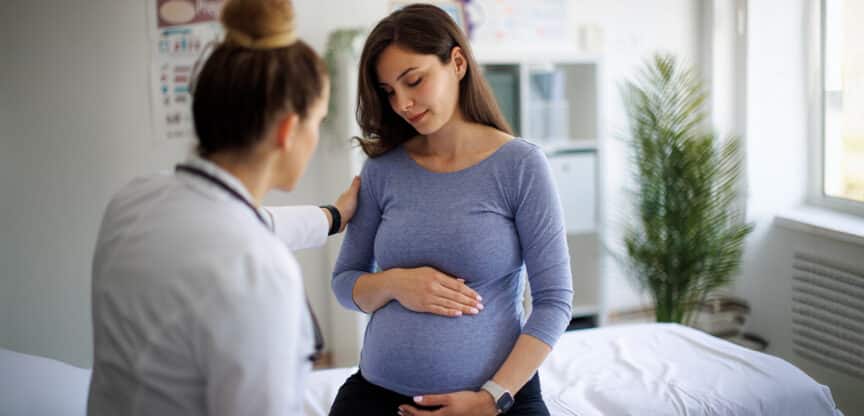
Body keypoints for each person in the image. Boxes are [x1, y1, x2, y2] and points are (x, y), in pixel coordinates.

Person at [87, 0, 356, 414]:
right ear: (288, 130)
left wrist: (333, 216)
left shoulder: (134, 201)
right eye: (317, 122)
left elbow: (239, 224)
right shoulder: (260, 270)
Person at [330, 4, 573, 416]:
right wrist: (394, 283)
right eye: (389, 91)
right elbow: (344, 283)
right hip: (378, 394)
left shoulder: (520, 165)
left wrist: (491, 398)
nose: (403, 103)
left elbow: (555, 300)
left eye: (414, 81)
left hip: (495, 398)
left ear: (457, 63)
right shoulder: (382, 170)